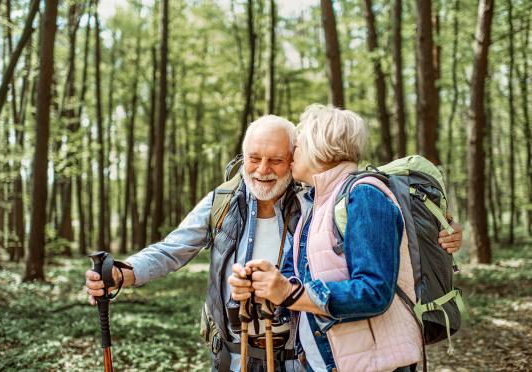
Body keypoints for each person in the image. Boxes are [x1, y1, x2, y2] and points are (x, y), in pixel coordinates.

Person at [86, 114, 463, 372]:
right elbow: (172, 249)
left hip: (303, 355)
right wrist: (126, 273)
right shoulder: (224, 202)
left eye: (276, 160)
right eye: (254, 158)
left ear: (295, 158)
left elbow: (373, 238)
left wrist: (439, 234)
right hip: (235, 354)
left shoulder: (317, 200)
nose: (263, 170)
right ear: (242, 157)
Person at [230, 105, 451, 371]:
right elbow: (293, 282)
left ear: (318, 147)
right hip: (326, 362)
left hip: (375, 365)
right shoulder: (315, 205)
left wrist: (289, 292)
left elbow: (374, 292)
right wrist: (261, 285)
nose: (291, 158)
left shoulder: (364, 196)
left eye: (297, 146)